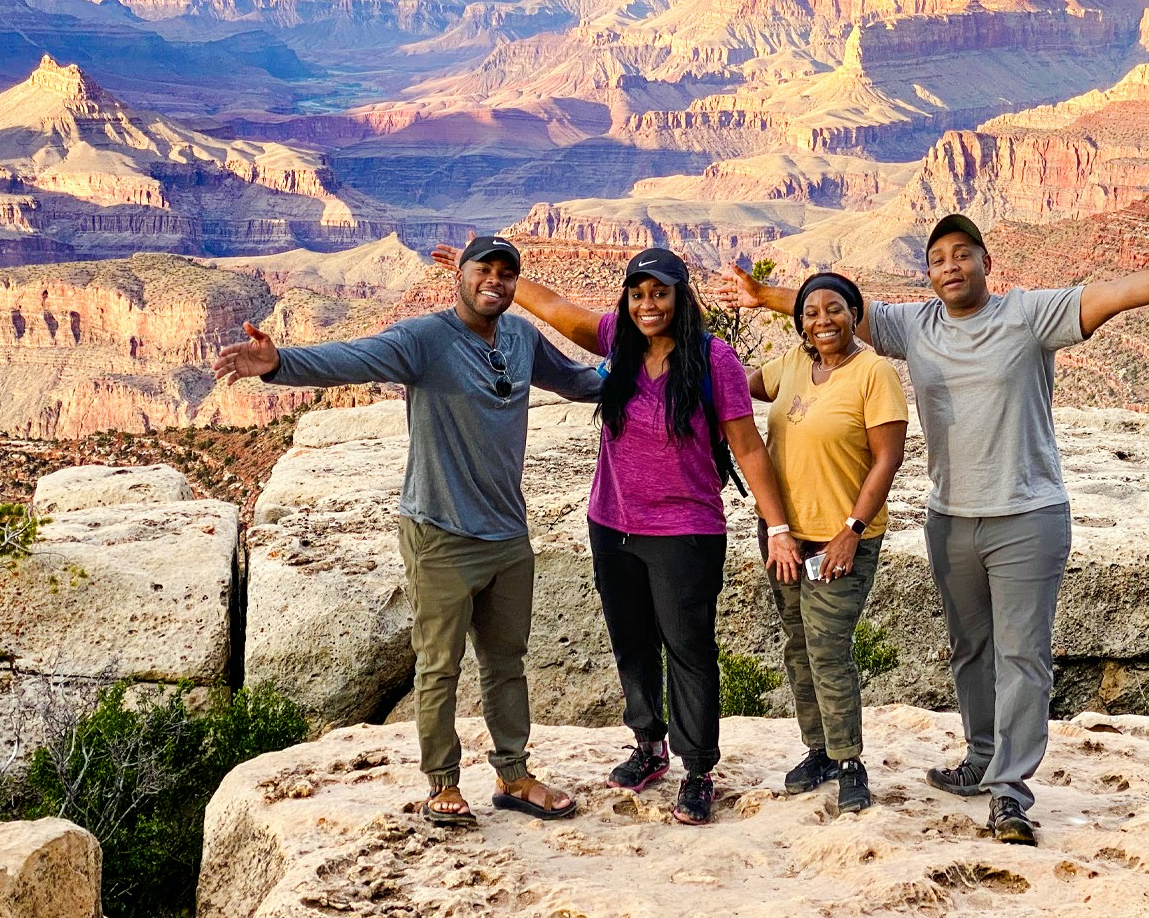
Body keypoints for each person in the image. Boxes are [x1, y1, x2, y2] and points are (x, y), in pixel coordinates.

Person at [720, 214, 1149, 844]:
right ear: (928, 273)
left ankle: (1010, 792)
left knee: (1022, 655)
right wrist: (763, 297)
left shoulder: (1029, 315)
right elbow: (834, 312)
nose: (951, 267)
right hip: (951, 516)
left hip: (1027, 514)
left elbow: (1117, 293)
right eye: (939, 259)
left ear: (987, 262)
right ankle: (982, 758)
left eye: (963, 255)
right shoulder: (917, 325)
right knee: (970, 649)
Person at [213, 235, 600, 826]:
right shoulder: (425, 339)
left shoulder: (521, 339)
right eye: (482, 270)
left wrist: (644, 367)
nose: (493, 281)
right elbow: (355, 355)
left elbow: (575, 381)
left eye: (505, 272)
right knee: (439, 664)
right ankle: (442, 782)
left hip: (508, 534)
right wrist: (280, 363)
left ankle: (514, 775)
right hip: (440, 533)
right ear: (461, 276)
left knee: (506, 663)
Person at [432, 238, 802, 826]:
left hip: (685, 530)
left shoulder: (714, 361)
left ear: (681, 298)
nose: (647, 304)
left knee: (689, 650)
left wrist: (776, 525)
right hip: (611, 524)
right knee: (631, 643)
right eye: (637, 293)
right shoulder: (618, 344)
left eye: (660, 293)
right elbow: (559, 311)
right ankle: (648, 745)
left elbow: (747, 444)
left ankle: (699, 768)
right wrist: (484, 276)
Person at [747, 272, 907, 814]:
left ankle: (849, 761)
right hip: (784, 536)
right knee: (798, 646)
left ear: (853, 312)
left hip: (841, 539)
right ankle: (816, 749)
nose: (823, 320)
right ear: (800, 323)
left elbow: (888, 458)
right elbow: (738, 386)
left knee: (828, 648)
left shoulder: (874, 372)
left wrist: (851, 532)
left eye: (834, 309)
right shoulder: (791, 365)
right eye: (811, 312)